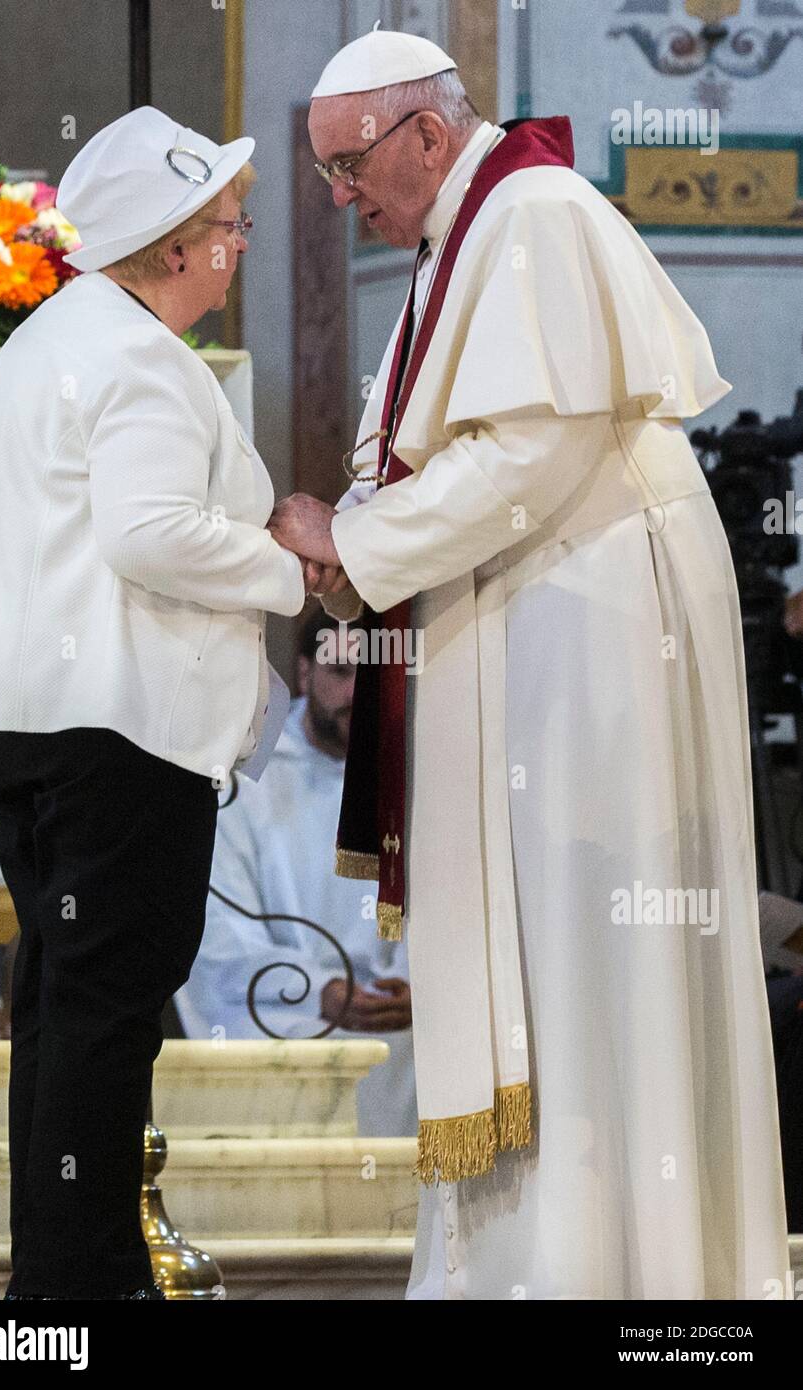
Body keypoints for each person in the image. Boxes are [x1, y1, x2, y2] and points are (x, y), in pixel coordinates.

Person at [267, 30, 792, 1299]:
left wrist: (353, 540)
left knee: (583, 945)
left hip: (587, 632)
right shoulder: (465, 235)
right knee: (541, 949)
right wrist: (355, 537)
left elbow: (528, 457)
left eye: (347, 165)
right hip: (530, 618)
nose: (341, 196)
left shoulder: (539, 213)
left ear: (425, 135)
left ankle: (616, 1276)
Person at [0, 105, 343, 1301]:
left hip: (40, 725)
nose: (239, 243)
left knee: (64, 1006)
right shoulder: (139, 359)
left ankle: (55, 1291)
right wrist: (291, 571)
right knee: (104, 1012)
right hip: (115, 731)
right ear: (171, 246)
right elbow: (148, 530)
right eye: (227, 225)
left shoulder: (61, 335)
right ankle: (83, 1291)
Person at [176, 609, 417, 1137]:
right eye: (342, 673)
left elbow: (454, 907)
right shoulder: (245, 780)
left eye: (375, 677)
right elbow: (214, 931)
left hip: (401, 1019)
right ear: (304, 672)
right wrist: (320, 988)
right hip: (284, 1009)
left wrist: (413, 982)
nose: (359, 693)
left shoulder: (420, 773)